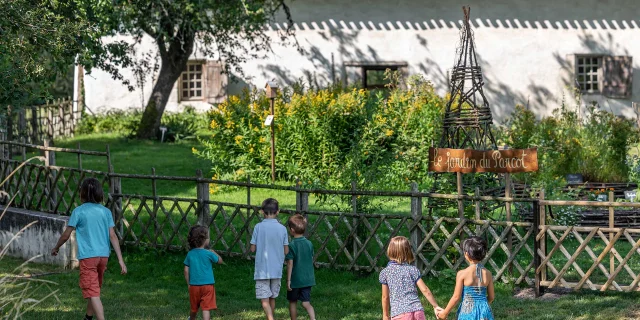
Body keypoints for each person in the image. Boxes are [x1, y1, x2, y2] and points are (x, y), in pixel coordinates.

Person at [51, 178, 127, 320]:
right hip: (103, 257)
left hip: (88, 258)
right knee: (95, 290)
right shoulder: (105, 212)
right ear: (100, 193)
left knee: (93, 293)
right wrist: (121, 260)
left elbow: (66, 235)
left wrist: (56, 247)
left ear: (82, 194)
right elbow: (113, 236)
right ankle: (88, 317)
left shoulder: (78, 212)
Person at [380, 236, 442, 320]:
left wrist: (385, 315)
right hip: (417, 310)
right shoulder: (412, 270)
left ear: (390, 251)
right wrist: (435, 306)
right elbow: (425, 290)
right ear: (407, 251)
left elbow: (385, 297)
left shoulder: (385, 273)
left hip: (400, 313)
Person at [437, 236, 494, 320]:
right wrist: (482, 304)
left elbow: (456, 297)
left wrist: (445, 313)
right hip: (484, 311)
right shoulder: (488, 274)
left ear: (466, 254)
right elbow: (491, 297)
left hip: (468, 310)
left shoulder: (462, 274)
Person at [250, 198, 289, 320]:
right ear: (278, 211)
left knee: (264, 300)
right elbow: (286, 250)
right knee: (272, 297)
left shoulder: (258, 227)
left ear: (262, 211)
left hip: (262, 269)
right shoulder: (282, 229)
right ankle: (271, 317)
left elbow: (252, 249)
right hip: (276, 269)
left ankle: (271, 319)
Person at [184, 225, 223, 320]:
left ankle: (191, 318)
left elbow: (186, 270)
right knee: (206, 308)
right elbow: (220, 261)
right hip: (208, 286)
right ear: (205, 240)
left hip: (194, 286)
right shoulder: (209, 253)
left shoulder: (190, 254)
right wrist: (214, 253)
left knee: (194, 308)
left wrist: (189, 284)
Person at [285, 214, 316, 320]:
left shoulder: (291, 245)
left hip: (295, 280)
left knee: (293, 302)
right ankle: (313, 318)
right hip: (308, 279)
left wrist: (288, 280)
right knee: (306, 303)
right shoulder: (309, 244)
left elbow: (290, 263)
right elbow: (311, 259)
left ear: (292, 230)